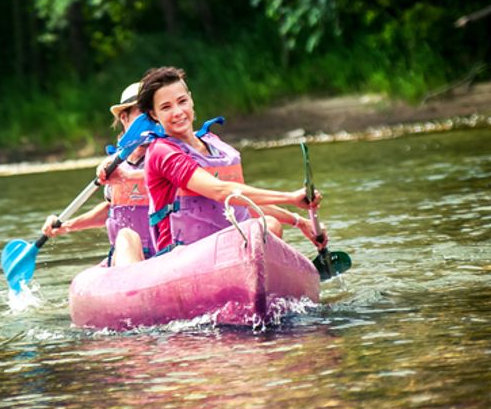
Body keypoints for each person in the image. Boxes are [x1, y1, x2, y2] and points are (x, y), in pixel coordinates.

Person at [113, 66, 325, 266]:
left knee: (269, 225)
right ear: (153, 115)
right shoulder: (162, 151)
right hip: (181, 260)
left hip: (224, 249)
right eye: (166, 107)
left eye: (182, 101)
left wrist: (299, 222)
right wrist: (290, 198)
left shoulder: (214, 144)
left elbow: (239, 199)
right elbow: (219, 191)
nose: (178, 112)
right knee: (261, 228)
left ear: (191, 100)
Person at [41, 82, 154, 262]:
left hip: (164, 254)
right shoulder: (116, 165)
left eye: (154, 112)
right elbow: (112, 209)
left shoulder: (166, 153)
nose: (151, 119)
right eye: (143, 112)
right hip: (131, 255)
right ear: (124, 118)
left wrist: (127, 178)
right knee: (125, 238)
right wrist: (66, 226)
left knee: (125, 238)